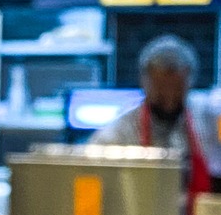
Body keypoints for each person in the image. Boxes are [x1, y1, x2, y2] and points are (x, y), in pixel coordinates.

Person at [89, 33, 212, 194]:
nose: (169, 99)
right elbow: (92, 179)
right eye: (161, 91)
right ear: (144, 82)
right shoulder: (117, 136)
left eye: (176, 91)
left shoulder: (207, 126)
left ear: (190, 82)